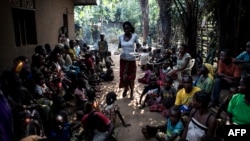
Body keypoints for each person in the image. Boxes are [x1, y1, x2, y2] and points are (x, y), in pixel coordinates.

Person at [118, 21, 140, 100]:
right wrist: (119, 51)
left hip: (131, 60)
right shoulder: (120, 36)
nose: (126, 29)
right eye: (125, 28)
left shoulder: (134, 36)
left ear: (130, 28)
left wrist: (137, 50)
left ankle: (131, 91)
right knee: (124, 77)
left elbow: (138, 44)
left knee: (131, 77)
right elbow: (119, 47)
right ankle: (126, 88)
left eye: (127, 28)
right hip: (123, 60)